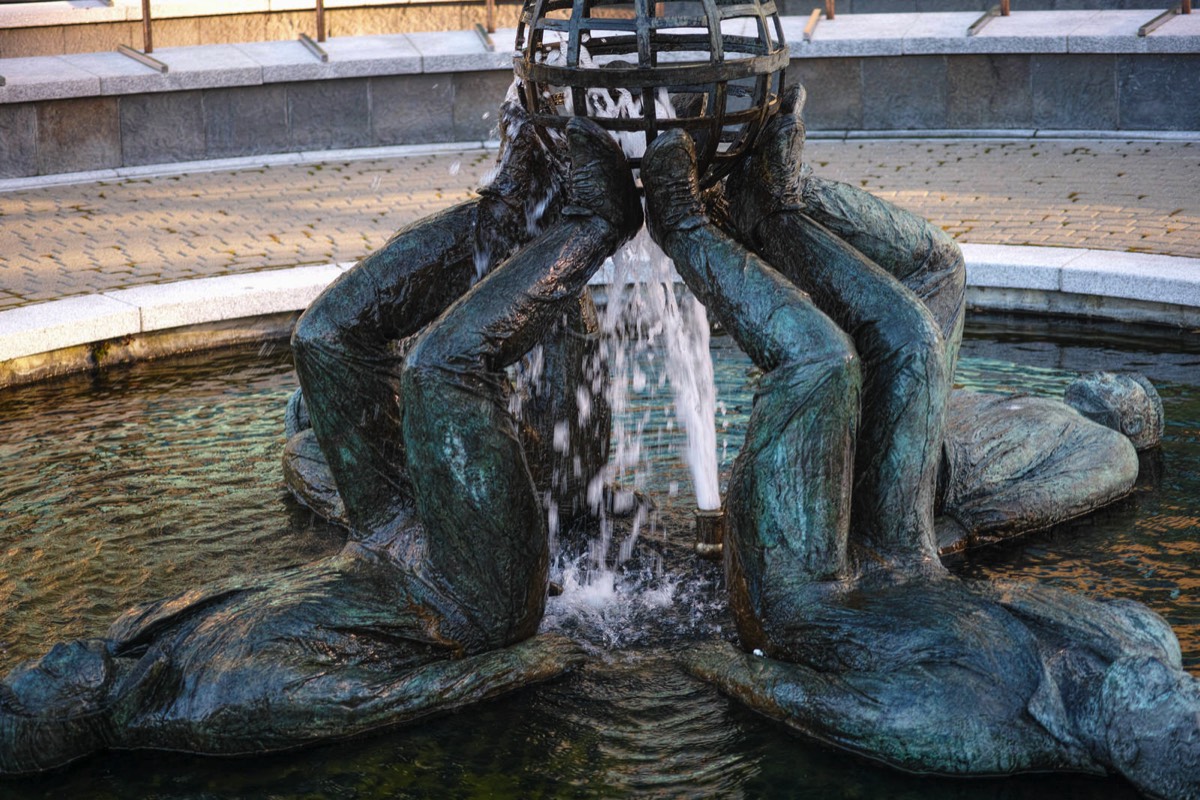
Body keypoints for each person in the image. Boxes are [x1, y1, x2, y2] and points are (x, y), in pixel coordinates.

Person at [0, 114, 642, 774]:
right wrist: (522, 666)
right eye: (27, 687)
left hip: (381, 543)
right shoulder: (216, 709)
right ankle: (597, 223)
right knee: (437, 371)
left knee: (327, 339)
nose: (31, 663)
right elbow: (383, 701)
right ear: (62, 717)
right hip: (466, 598)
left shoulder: (132, 645)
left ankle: (508, 215)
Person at [640, 90, 1200, 798]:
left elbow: (804, 701)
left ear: (1125, 756)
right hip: (904, 556)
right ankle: (772, 209)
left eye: (1169, 721)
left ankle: (682, 224)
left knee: (821, 364)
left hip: (805, 596)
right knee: (909, 335)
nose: (1163, 693)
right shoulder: (1143, 644)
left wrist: (707, 665)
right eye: (1185, 700)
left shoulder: (978, 732)